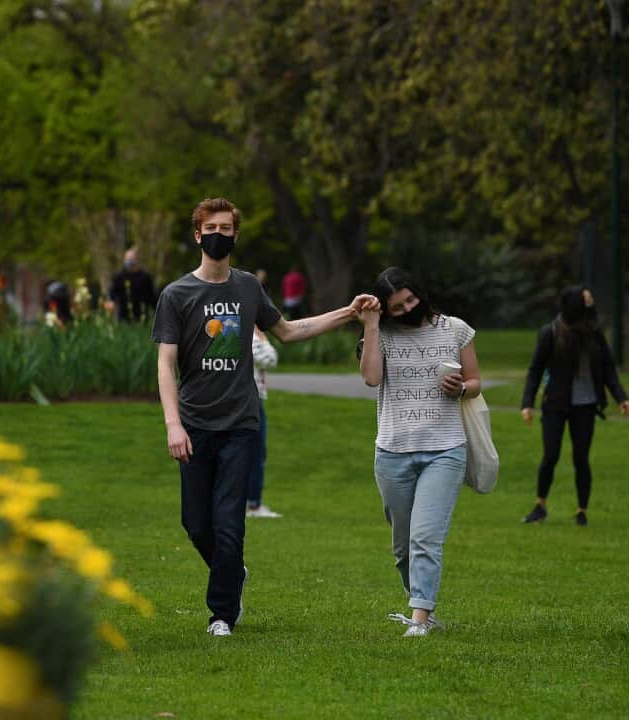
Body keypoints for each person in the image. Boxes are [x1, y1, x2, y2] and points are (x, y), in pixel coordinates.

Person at [152, 196, 379, 638]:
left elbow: (290, 331)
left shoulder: (248, 288)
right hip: (195, 423)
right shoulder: (177, 294)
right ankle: (233, 573)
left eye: (226, 228)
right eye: (211, 229)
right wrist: (173, 424)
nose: (219, 235)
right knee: (196, 523)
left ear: (236, 235)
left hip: (241, 423)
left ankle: (221, 615)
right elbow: (165, 364)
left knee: (230, 521)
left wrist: (348, 313)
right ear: (197, 235)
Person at [357, 266, 480, 638]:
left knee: (425, 536)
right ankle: (419, 600)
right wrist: (373, 324)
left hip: (445, 448)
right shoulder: (381, 335)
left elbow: (475, 382)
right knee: (403, 544)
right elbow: (371, 378)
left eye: (411, 299)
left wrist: (460, 387)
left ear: (420, 293)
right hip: (394, 450)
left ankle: (420, 618)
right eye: (397, 306)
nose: (408, 308)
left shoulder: (455, 329)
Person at [520, 286, 629, 526]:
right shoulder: (550, 333)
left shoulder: (593, 334)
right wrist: (527, 403)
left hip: (586, 404)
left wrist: (621, 397)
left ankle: (582, 510)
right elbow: (535, 369)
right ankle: (540, 505)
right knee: (550, 455)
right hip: (555, 404)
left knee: (581, 458)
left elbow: (609, 367)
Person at [247, 326, 281, 518]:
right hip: (251, 399)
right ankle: (253, 504)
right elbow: (270, 358)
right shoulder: (248, 334)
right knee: (256, 452)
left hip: (244, 398)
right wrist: (263, 338)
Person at [109, 248, 158, 322]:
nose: (129, 261)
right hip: (123, 318)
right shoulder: (119, 277)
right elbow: (112, 292)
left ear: (137, 259)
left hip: (142, 318)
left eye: (131, 258)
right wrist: (111, 302)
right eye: (127, 258)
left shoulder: (145, 277)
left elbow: (152, 297)